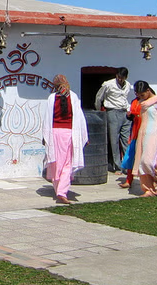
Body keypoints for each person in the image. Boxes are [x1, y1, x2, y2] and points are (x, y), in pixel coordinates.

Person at [41, 74, 88, 204]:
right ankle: (62, 192)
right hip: (69, 134)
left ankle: (59, 191)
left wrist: (44, 136)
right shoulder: (73, 97)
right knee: (67, 163)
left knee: (56, 163)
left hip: (54, 134)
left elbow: (46, 119)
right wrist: (84, 136)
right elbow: (80, 118)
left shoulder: (51, 98)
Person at [95, 67, 132, 173]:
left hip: (124, 112)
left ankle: (127, 165)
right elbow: (99, 97)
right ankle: (117, 165)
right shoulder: (108, 84)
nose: (120, 79)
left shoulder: (128, 85)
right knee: (114, 140)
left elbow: (125, 99)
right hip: (112, 111)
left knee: (125, 140)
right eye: (119, 77)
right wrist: (100, 111)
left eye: (122, 78)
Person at [119, 96, 143, 189]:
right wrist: (130, 115)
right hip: (135, 132)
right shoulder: (134, 101)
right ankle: (129, 180)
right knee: (130, 157)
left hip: (145, 131)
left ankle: (152, 182)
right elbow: (132, 117)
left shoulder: (148, 102)